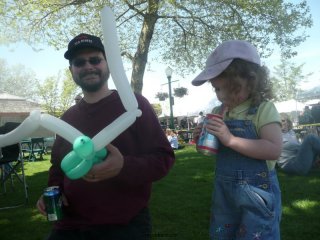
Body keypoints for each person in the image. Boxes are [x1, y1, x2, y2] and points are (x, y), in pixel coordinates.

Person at [36, 33, 175, 240]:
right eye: (79, 62)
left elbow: (164, 158)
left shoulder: (134, 105)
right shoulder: (67, 117)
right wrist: (53, 190)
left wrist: (123, 166)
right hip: (70, 224)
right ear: (71, 70)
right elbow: (57, 165)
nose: (88, 66)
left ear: (107, 63)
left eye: (95, 59)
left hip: (122, 224)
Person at [191, 40, 282, 240]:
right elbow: (210, 151)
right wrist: (202, 140)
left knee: (256, 235)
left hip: (258, 193)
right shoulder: (218, 112)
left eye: (231, 89)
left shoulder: (263, 109)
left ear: (252, 81)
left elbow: (274, 149)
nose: (222, 96)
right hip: (224, 192)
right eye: (217, 89)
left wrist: (230, 139)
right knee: (222, 235)